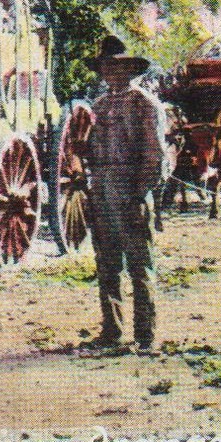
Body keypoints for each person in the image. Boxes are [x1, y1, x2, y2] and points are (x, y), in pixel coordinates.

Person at [85, 36, 164, 354]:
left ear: (130, 70)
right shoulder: (99, 106)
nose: (110, 73)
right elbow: (90, 148)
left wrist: (138, 194)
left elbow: (155, 157)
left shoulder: (145, 104)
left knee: (139, 264)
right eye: (105, 67)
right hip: (101, 190)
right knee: (106, 264)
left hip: (131, 191)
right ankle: (112, 330)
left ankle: (145, 335)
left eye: (116, 67)